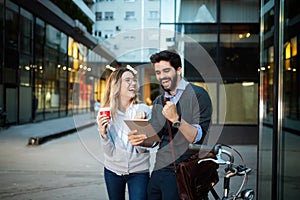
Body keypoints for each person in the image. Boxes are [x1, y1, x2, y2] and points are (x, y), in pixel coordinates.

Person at [128, 50, 213, 200]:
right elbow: (155, 139)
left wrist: (176, 119)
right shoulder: (159, 101)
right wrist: (141, 139)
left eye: (166, 70)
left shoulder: (199, 95)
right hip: (159, 170)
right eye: (158, 72)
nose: (162, 76)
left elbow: (197, 137)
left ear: (179, 70)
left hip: (182, 172)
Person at [97, 67, 152, 200]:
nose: (133, 83)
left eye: (134, 80)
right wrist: (103, 133)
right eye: (128, 80)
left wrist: (140, 128)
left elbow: (144, 148)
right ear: (116, 85)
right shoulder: (105, 113)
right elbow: (109, 153)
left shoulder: (143, 110)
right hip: (112, 171)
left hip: (139, 172)